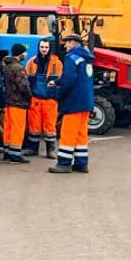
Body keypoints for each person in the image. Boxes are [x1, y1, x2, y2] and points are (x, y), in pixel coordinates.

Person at [49, 33, 94, 174]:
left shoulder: (70, 58)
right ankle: (81, 163)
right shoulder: (86, 58)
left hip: (74, 101)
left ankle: (64, 163)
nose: (65, 45)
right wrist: (56, 81)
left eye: (67, 43)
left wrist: (58, 94)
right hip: (86, 101)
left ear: (73, 43)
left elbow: (69, 80)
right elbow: (77, 77)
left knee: (68, 132)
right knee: (81, 134)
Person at [24, 37, 63, 158]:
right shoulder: (31, 62)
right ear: (38, 47)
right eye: (42, 47)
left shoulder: (57, 63)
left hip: (50, 99)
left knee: (50, 125)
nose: (44, 49)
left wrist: (57, 97)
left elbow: (61, 81)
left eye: (46, 47)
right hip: (35, 98)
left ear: (49, 48)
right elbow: (26, 80)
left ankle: (50, 150)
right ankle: (33, 149)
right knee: (34, 125)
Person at [0, 43, 32, 163]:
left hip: (9, 102)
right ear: (20, 53)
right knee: (17, 129)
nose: (26, 54)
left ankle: (7, 152)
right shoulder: (18, 68)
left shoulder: (7, 66)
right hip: (19, 103)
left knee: (8, 128)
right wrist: (29, 97)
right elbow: (23, 86)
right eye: (24, 52)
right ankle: (15, 155)